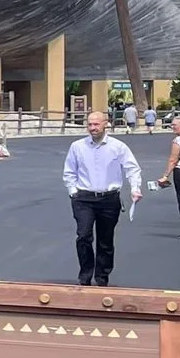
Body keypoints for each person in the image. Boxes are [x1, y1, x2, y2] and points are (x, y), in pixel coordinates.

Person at [64, 108, 144, 285]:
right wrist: (73, 192)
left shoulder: (118, 147)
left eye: (96, 124)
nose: (93, 128)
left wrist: (135, 188)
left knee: (105, 240)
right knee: (83, 236)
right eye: (90, 124)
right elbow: (69, 171)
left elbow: (132, 168)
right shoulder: (77, 147)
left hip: (109, 199)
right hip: (84, 198)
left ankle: (102, 277)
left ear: (105, 124)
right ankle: (85, 276)